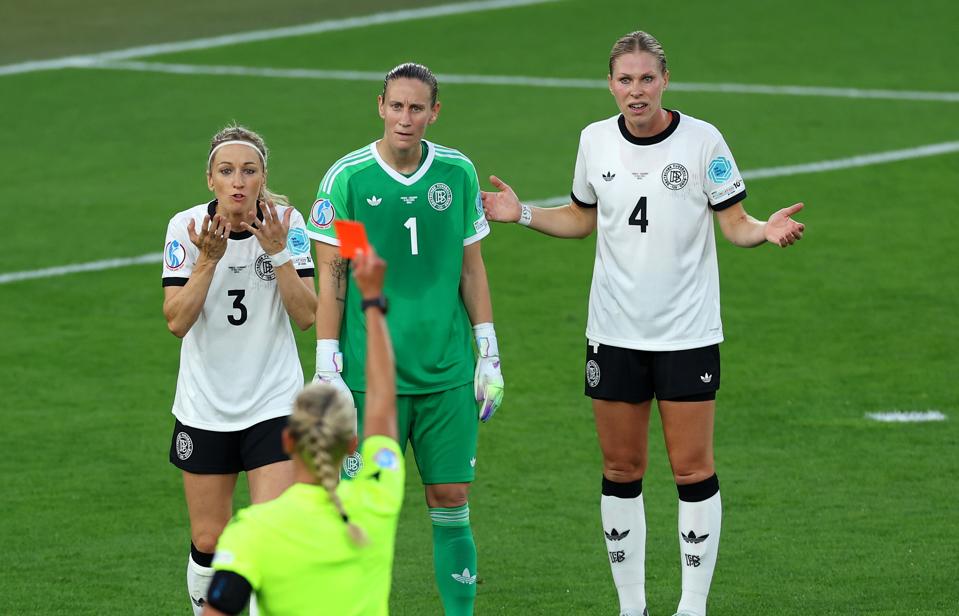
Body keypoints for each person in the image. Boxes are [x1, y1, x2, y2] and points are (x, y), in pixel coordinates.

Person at [481, 31, 804, 616]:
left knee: (692, 468)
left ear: (665, 80)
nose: (635, 91)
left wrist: (764, 229)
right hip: (613, 332)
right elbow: (581, 218)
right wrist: (521, 213)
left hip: (687, 334)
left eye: (646, 79)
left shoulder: (704, 141)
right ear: (610, 84)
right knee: (620, 468)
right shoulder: (594, 140)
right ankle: (632, 607)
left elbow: (734, 223)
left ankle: (692, 607)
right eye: (625, 80)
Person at [305, 62, 503, 615]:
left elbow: (471, 271)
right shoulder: (347, 181)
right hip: (371, 379)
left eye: (417, 108)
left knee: (451, 500)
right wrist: (327, 369)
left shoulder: (458, 174)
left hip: (446, 374)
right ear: (380, 106)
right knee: (365, 512)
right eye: (397, 106)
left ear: (434, 113)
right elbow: (335, 278)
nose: (405, 118)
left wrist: (488, 353)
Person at [162, 124, 318, 614]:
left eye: (248, 171)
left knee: (268, 533)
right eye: (226, 171)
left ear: (262, 177)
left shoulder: (287, 223)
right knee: (209, 538)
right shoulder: (185, 229)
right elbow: (177, 322)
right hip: (205, 404)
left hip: (274, 400)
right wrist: (207, 262)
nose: (238, 181)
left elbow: (308, 314)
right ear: (209, 179)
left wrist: (279, 253)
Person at [202, 248, 402, 616]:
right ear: (353, 443)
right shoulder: (377, 498)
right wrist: (372, 303)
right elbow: (383, 406)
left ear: (288, 440)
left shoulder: (253, 530)